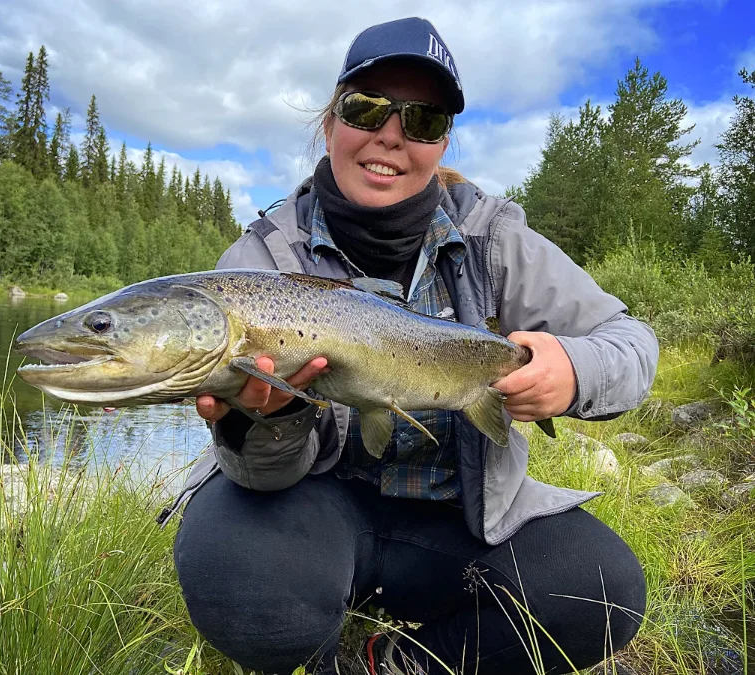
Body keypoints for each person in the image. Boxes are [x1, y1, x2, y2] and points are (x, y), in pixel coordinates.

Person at [167, 16, 658, 675]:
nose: (391, 135)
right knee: (233, 567)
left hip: (461, 525)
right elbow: (264, 474)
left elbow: (632, 345)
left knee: (602, 591)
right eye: (366, 108)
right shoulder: (262, 263)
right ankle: (318, 659)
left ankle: (402, 662)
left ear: (442, 141)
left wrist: (573, 369)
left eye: (422, 119)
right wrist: (268, 420)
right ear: (331, 123)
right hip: (311, 513)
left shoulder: (495, 237)